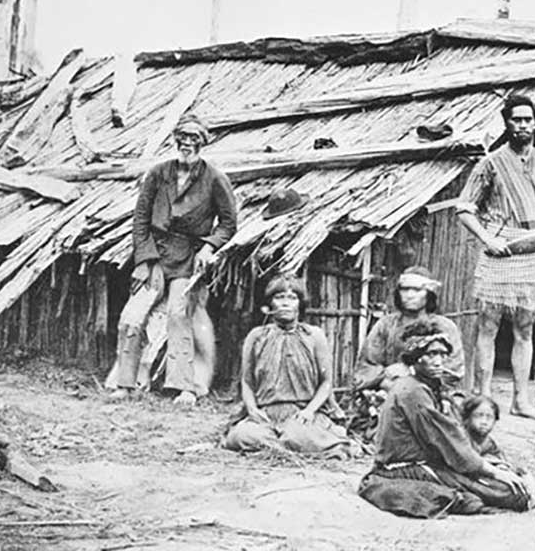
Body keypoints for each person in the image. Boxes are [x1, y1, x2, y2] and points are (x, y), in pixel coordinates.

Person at [455, 95, 535, 420]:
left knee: (525, 329)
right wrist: (487, 239)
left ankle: (521, 400)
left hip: (531, 252)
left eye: (528, 119)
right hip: (497, 249)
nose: (523, 125)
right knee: (487, 325)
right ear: (507, 122)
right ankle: (481, 399)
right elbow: (464, 209)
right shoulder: (491, 163)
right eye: (517, 119)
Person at [107, 114, 238, 406]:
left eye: (194, 140)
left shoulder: (214, 178)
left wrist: (208, 248)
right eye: (183, 139)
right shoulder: (158, 174)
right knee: (131, 317)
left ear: (203, 143)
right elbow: (140, 219)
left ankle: (185, 388)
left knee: (179, 317)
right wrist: (143, 260)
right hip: (155, 256)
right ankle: (125, 384)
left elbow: (228, 224)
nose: (187, 145)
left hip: (188, 257)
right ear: (176, 140)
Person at [358, 321, 530, 518]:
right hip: (405, 469)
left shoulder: (427, 387)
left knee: (503, 483)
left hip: (427, 463)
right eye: (431, 354)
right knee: (509, 493)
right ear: (415, 359)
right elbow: (447, 442)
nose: (438, 361)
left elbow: (456, 434)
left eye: (442, 354)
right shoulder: (411, 392)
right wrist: (493, 472)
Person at [221, 276, 355, 457]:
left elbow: (326, 383)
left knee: (297, 435)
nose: (285, 303)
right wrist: (252, 410)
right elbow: (246, 381)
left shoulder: (314, 336)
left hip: (301, 414)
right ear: (269, 304)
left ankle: (284, 444)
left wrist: (309, 411)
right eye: (279, 297)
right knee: (242, 436)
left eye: (292, 298)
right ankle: (291, 446)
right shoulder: (257, 336)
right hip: (266, 414)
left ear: (300, 304)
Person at [354, 267, 465, 392]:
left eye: (417, 290)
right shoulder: (386, 324)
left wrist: (412, 371)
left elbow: (453, 370)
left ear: (429, 293)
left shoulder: (445, 326)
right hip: (387, 390)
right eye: (405, 289)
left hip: (433, 393)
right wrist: (387, 381)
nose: (410, 295)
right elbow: (366, 366)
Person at [461, 395, 535, 507]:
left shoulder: (489, 443)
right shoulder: (461, 438)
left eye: (489, 417)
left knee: (519, 478)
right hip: (464, 478)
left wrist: (504, 469)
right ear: (467, 418)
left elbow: (501, 461)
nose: (484, 421)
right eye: (478, 416)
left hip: (486, 476)